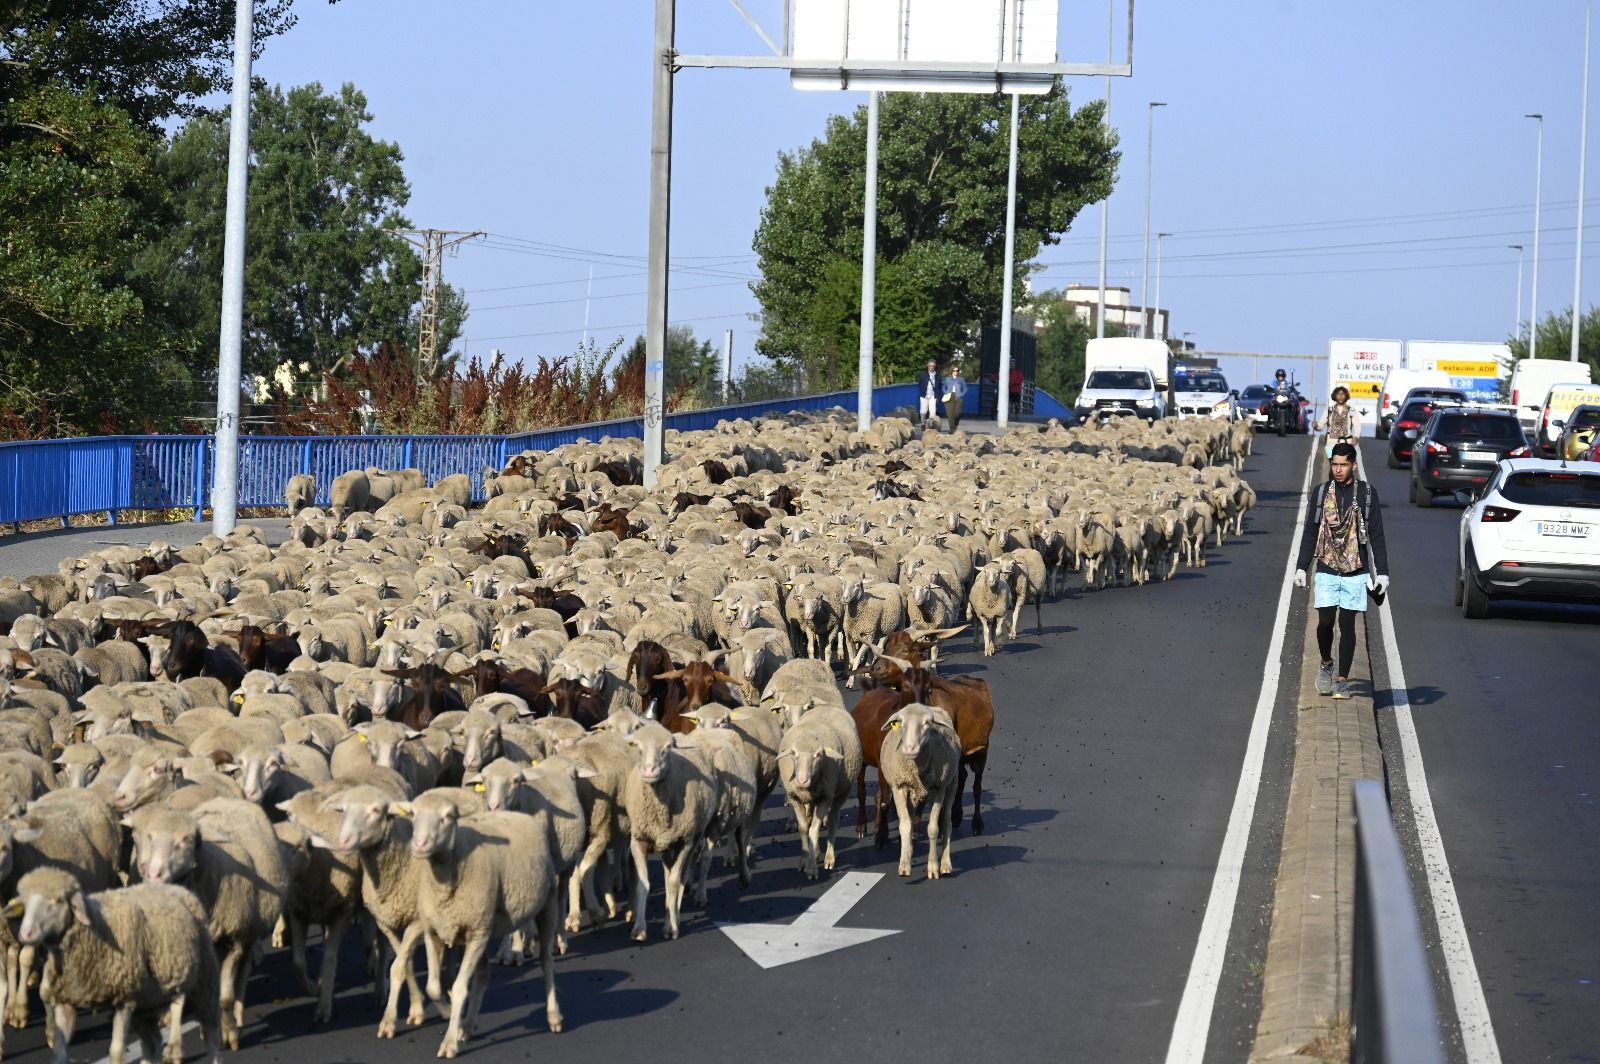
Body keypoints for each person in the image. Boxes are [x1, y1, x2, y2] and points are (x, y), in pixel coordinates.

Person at [1293, 442, 1389, 700]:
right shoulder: (1322, 492)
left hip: (1356, 571)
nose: (1337, 469)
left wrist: (1382, 573)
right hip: (1326, 567)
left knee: (1348, 625)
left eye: (1343, 465)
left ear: (1353, 466)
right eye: (1334, 464)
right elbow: (1310, 531)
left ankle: (1342, 680)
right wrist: (1301, 567)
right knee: (1325, 622)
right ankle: (1326, 663)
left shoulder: (1367, 494)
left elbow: (1376, 535)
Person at [1316, 386, 1361, 462]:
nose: (1340, 396)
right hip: (1331, 443)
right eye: (1338, 394)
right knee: (1333, 465)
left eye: (1342, 394)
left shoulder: (1351, 410)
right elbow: (1321, 425)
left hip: (1346, 443)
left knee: (1345, 465)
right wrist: (1316, 426)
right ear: (1334, 396)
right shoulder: (1329, 410)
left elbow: (1357, 425)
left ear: (1346, 396)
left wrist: (1356, 437)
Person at [942, 362, 968, 431]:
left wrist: (961, 394)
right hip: (949, 397)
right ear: (951, 371)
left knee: (957, 414)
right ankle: (952, 430)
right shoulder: (947, 379)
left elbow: (965, 388)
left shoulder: (961, 379)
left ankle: (955, 425)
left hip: (958, 397)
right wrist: (946, 393)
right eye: (954, 370)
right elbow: (943, 387)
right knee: (950, 415)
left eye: (957, 370)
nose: (955, 372)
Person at [918, 359, 941, 428]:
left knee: (932, 412)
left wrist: (936, 395)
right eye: (930, 366)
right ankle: (922, 423)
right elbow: (920, 383)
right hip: (924, 395)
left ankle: (930, 426)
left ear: (935, 366)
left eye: (933, 366)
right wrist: (922, 390)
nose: (931, 367)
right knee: (923, 411)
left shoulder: (937, 376)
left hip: (933, 396)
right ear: (928, 366)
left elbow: (939, 385)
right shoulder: (923, 374)